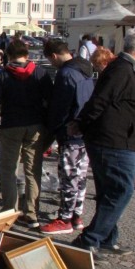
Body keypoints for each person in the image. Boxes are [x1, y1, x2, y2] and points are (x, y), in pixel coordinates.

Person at [70, 27, 135, 260]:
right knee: (121, 191)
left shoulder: (126, 68)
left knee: (109, 192)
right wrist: (81, 123)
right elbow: (99, 101)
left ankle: (107, 237)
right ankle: (89, 239)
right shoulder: (121, 70)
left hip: (117, 140)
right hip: (114, 142)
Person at [0, 39, 53, 228]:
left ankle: (9, 211)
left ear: (9, 55)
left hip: (11, 125)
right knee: (33, 170)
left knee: (9, 169)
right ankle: (31, 214)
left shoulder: (3, 75)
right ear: (27, 55)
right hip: (35, 126)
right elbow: (51, 99)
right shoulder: (39, 73)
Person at [40, 41, 94, 235]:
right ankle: (76, 215)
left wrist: (53, 127)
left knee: (69, 176)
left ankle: (65, 219)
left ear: (54, 56)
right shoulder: (85, 69)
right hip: (84, 130)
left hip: (70, 131)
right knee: (80, 176)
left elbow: (60, 107)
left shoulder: (66, 74)